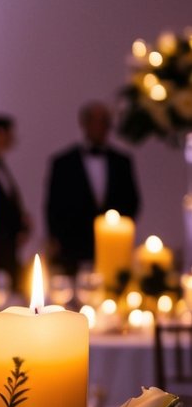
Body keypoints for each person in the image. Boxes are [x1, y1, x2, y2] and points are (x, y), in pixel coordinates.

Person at [44, 100, 140, 275]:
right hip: (72, 250)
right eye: (95, 121)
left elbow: (132, 201)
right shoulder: (63, 163)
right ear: (84, 123)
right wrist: (57, 239)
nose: (100, 126)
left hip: (113, 251)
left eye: (104, 121)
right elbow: (53, 206)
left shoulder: (122, 162)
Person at [0, 114, 31, 288]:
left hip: (9, 249)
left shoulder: (1, 166)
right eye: (10, 133)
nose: (13, 138)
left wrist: (22, 223)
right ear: (0, 133)